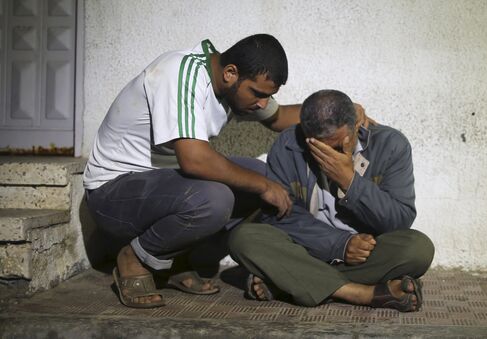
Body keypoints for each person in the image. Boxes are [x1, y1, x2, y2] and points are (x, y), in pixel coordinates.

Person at [84, 34, 368, 308]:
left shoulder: (233, 84)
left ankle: (175, 262)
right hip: (113, 194)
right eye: (257, 94)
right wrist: (263, 186)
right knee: (218, 197)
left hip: (159, 188)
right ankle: (134, 257)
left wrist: (341, 113)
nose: (261, 103)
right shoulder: (180, 73)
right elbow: (194, 160)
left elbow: (280, 117)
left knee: (265, 177)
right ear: (231, 73)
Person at [229, 89, 434, 312]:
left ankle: (287, 280)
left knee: (418, 249)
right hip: (306, 248)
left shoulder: (390, 144)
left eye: (337, 146)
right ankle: (362, 293)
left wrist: (350, 182)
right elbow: (279, 217)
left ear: (356, 124)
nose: (329, 155)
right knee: (243, 238)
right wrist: (340, 245)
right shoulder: (287, 145)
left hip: (364, 253)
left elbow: (399, 219)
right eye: (318, 147)